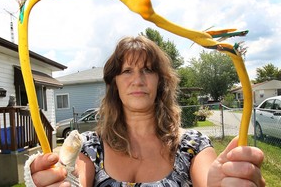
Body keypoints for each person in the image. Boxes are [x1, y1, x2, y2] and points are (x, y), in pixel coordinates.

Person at [27, 35, 265, 186]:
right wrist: (56, 178)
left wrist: (224, 183)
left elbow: (210, 181)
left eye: (148, 70)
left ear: (160, 82)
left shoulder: (193, 145)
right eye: (127, 71)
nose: (138, 80)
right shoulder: (90, 147)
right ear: (114, 83)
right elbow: (73, 178)